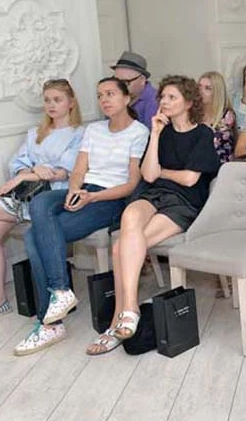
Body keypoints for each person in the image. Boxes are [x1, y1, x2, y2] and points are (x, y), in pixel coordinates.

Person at [14, 77, 148, 355]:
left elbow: (131, 184)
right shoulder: (94, 129)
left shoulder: (138, 132)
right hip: (84, 189)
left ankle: (50, 321)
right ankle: (61, 293)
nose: (104, 100)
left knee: (33, 237)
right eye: (100, 95)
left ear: (126, 98)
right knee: (40, 202)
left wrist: (92, 197)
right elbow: (78, 169)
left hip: (109, 199)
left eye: (110, 93)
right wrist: (75, 190)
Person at [85, 75, 219, 355]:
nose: (164, 102)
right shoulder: (160, 132)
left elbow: (190, 180)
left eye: (172, 97)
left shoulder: (203, 134)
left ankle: (117, 322)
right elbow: (147, 175)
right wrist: (156, 134)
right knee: (130, 214)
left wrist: (162, 172)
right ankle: (130, 309)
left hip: (183, 203)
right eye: (162, 97)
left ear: (189, 102)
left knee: (120, 247)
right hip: (154, 195)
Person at [0, 79, 84, 327]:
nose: (51, 105)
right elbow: (16, 163)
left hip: (50, 198)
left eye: (57, 99)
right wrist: (29, 172)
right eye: (47, 100)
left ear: (71, 102)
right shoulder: (35, 133)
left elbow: (64, 172)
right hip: (24, 195)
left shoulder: (79, 134)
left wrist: (26, 175)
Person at [111, 51, 158, 129]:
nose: (119, 86)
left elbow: (151, 134)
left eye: (125, 82)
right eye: (116, 81)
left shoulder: (155, 101)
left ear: (142, 80)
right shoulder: (114, 97)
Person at [199, 70, 236, 165]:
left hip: (220, 167)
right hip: (197, 165)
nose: (201, 91)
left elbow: (213, 143)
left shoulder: (227, 116)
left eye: (207, 88)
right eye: (199, 87)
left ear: (217, 92)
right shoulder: (194, 113)